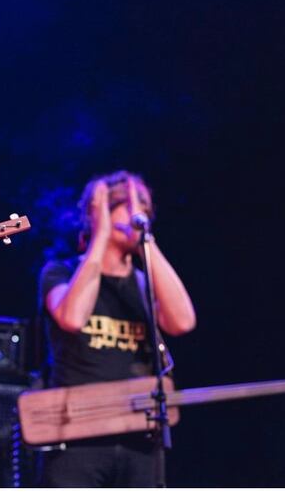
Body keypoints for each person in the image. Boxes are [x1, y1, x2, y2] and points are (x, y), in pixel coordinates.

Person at [38, 170, 195, 487]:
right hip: (77, 442)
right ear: (98, 213)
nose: (139, 213)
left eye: (145, 206)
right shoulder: (60, 273)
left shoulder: (143, 282)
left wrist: (146, 242)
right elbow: (71, 317)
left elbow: (182, 322)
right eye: (126, 202)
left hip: (139, 440)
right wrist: (100, 236)